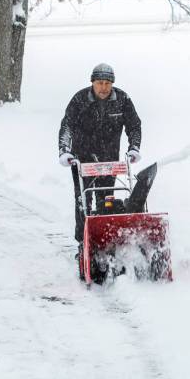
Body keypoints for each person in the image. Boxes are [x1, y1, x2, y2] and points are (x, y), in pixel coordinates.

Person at [58, 63, 142, 255]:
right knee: (83, 201)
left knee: (106, 199)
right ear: (92, 83)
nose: (103, 87)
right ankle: (83, 242)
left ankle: (105, 241)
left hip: (109, 159)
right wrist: (64, 150)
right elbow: (67, 126)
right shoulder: (80, 100)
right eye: (99, 83)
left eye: (107, 83)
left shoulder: (122, 99)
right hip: (82, 159)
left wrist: (134, 148)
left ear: (112, 84)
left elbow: (134, 125)